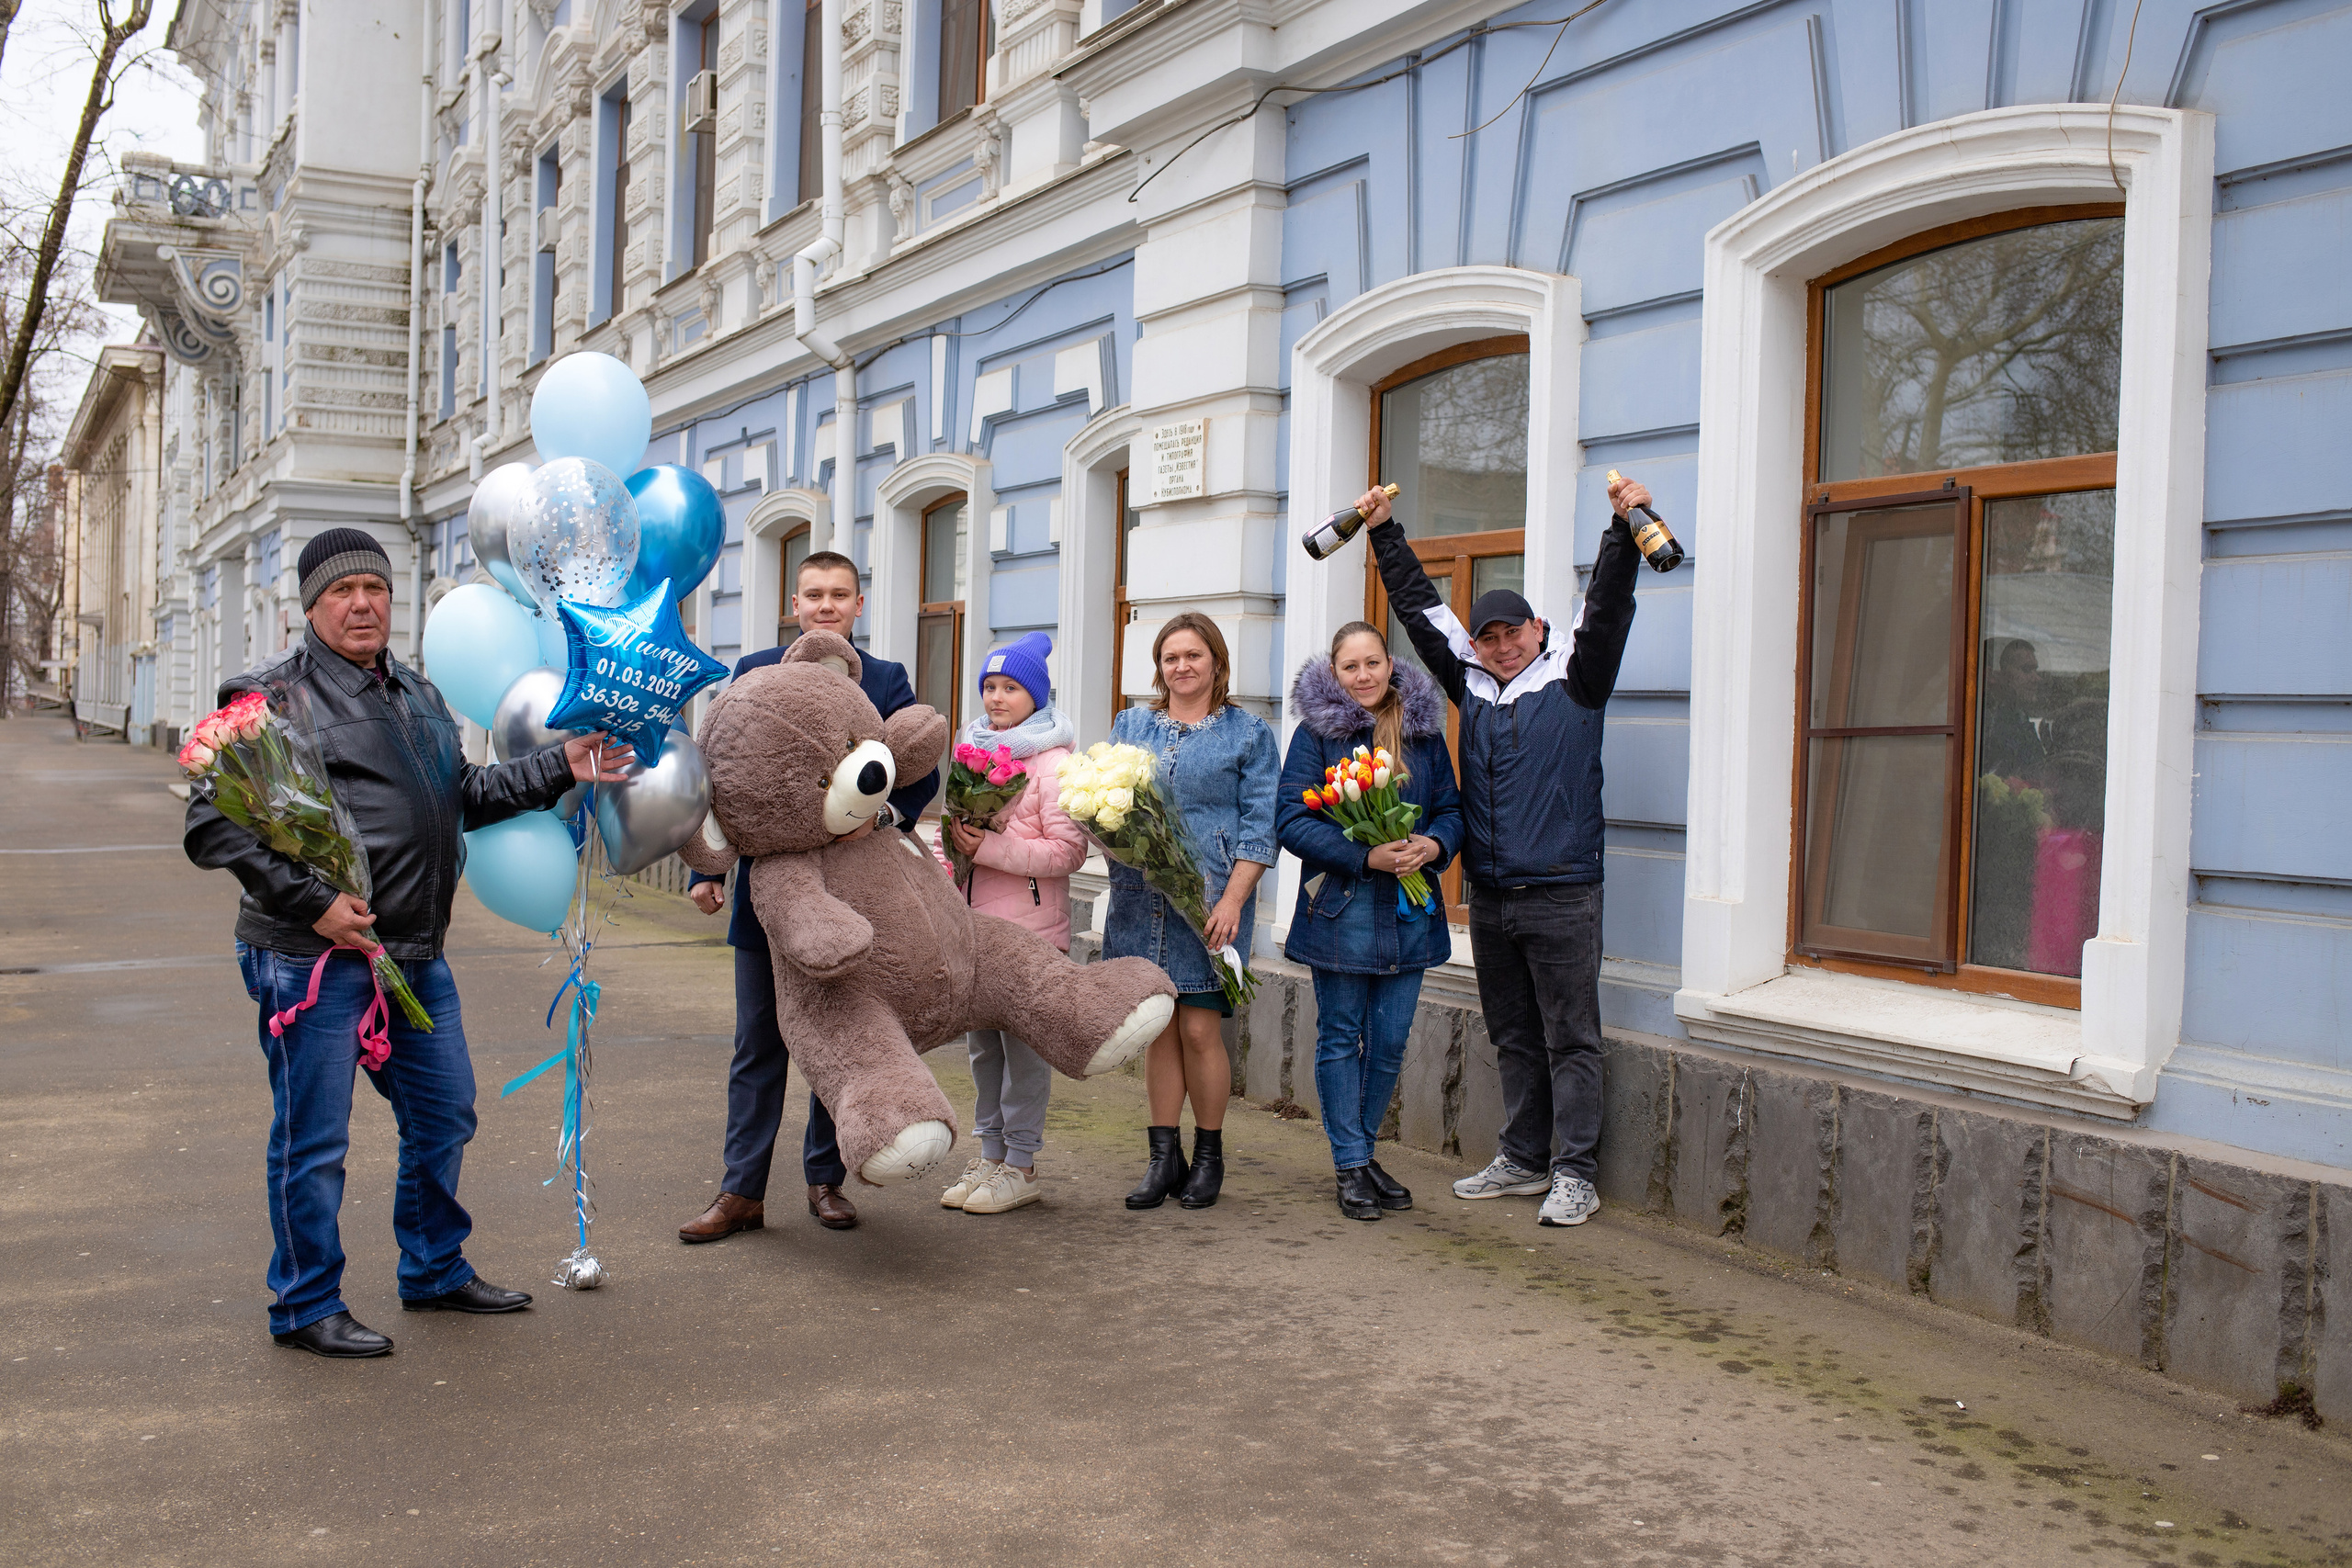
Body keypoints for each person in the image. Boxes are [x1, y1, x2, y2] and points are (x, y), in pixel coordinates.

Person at [185, 528, 633, 1359]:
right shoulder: (268, 698)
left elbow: (461, 794)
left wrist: (561, 766)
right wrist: (315, 904)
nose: (363, 604)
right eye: (342, 591)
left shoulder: (416, 695)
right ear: (309, 607)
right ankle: (305, 1302)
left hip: (411, 954)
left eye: (376, 589)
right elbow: (211, 826)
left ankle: (431, 1266)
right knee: (314, 1137)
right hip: (311, 957)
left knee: (444, 1111)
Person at [1359, 473, 1648, 1228]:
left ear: (1539, 629)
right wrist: (1385, 532)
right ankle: (1523, 1157)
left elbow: (1610, 605)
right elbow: (1424, 615)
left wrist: (1622, 530)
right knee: (1514, 1034)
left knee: (1571, 1038)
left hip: (1563, 890)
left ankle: (1575, 1171)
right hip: (1490, 895)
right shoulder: (1474, 685)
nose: (1501, 646)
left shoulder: (1578, 677)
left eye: (1512, 633)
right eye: (1487, 637)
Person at [679, 550, 939, 1241]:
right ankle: (741, 1192)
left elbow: (917, 769)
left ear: (859, 604)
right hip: (764, 901)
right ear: (794, 604)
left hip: (855, 898)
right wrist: (708, 871)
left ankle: (826, 1178)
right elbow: (719, 776)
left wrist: (879, 818)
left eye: (839, 595)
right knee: (757, 1044)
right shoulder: (753, 673)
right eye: (814, 594)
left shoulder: (884, 680)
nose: (826, 605)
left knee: (839, 1040)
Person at [1275, 623, 1463, 1221]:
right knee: (1340, 1036)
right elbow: (1291, 820)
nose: (1362, 675)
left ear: (1390, 665)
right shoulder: (1316, 735)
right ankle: (1351, 1163)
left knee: (1388, 1042)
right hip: (1344, 911)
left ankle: (1361, 1151)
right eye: (1350, 665)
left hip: (1411, 913)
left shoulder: (1425, 735)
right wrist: (1365, 853)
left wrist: (1432, 846)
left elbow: (1454, 811)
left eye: (1372, 662)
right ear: (1334, 672)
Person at [1102, 612, 1280, 1211]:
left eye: (1192, 656)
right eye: (1170, 657)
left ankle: (1209, 1155)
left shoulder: (1248, 735)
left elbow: (1261, 828)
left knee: (1201, 1027)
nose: (1181, 666)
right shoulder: (1133, 723)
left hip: (1211, 908)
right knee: (1159, 1029)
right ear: (1160, 667)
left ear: (1216, 662)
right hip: (1141, 900)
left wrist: (1232, 899)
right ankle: (1162, 1156)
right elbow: (1108, 798)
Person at [933, 631, 1086, 1216]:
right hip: (973, 927)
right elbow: (954, 833)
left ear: (1036, 696)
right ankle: (988, 1156)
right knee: (982, 1051)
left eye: (1011, 687)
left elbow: (1067, 854)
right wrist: (949, 861)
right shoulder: (971, 750)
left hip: (1030, 933)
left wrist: (992, 848)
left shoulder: (1054, 763)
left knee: (1024, 1052)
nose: (997, 698)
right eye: (989, 686)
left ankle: (1022, 1165)